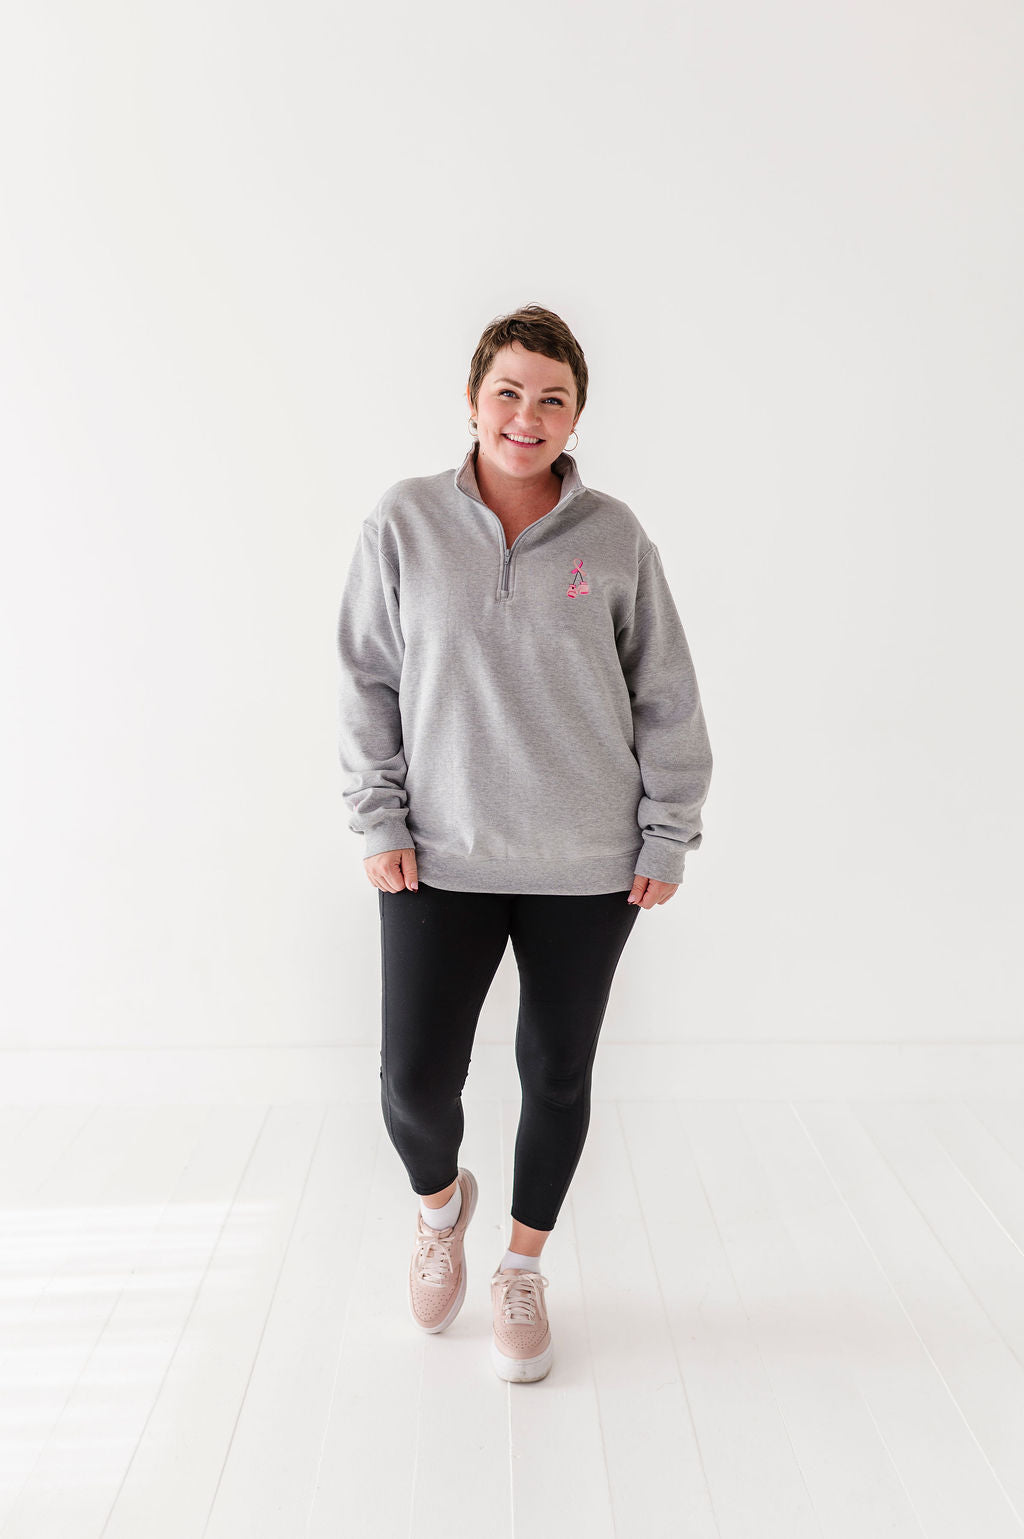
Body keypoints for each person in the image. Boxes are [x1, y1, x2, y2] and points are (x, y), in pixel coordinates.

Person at [336, 303, 713, 1383]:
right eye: (507, 392)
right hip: (435, 857)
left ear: (576, 415)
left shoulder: (614, 537)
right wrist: (377, 815)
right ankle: (439, 1208)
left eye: (552, 399)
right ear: (472, 401)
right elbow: (366, 676)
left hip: (588, 866)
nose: (526, 415)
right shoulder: (404, 521)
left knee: (555, 1072)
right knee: (414, 1082)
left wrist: (667, 832)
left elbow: (667, 695)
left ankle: (521, 1266)